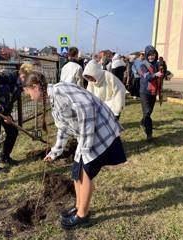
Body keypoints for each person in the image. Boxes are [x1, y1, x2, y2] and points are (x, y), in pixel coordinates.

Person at [23, 71, 127, 229]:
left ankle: (82, 216)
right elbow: (63, 127)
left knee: (85, 174)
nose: (27, 95)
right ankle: (79, 207)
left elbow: (87, 108)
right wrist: (54, 152)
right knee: (76, 172)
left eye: (27, 91)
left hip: (99, 132)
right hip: (87, 136)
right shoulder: (54, 99)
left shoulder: (60, 92)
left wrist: (85, 147)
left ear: (35, 87)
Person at [139, 45, 163, 141]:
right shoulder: (143, 65)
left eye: (153, 55)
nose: (151, 57)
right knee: (147, 111)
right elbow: (148, 77)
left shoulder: (157, 64)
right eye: (149, 55)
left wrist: (165, 74)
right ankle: (149, 134)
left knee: (148, 113)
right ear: (146, 55)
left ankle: (142, 123)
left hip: (153, 92)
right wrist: (156, 74)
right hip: (144, 92)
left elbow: (162, 73)